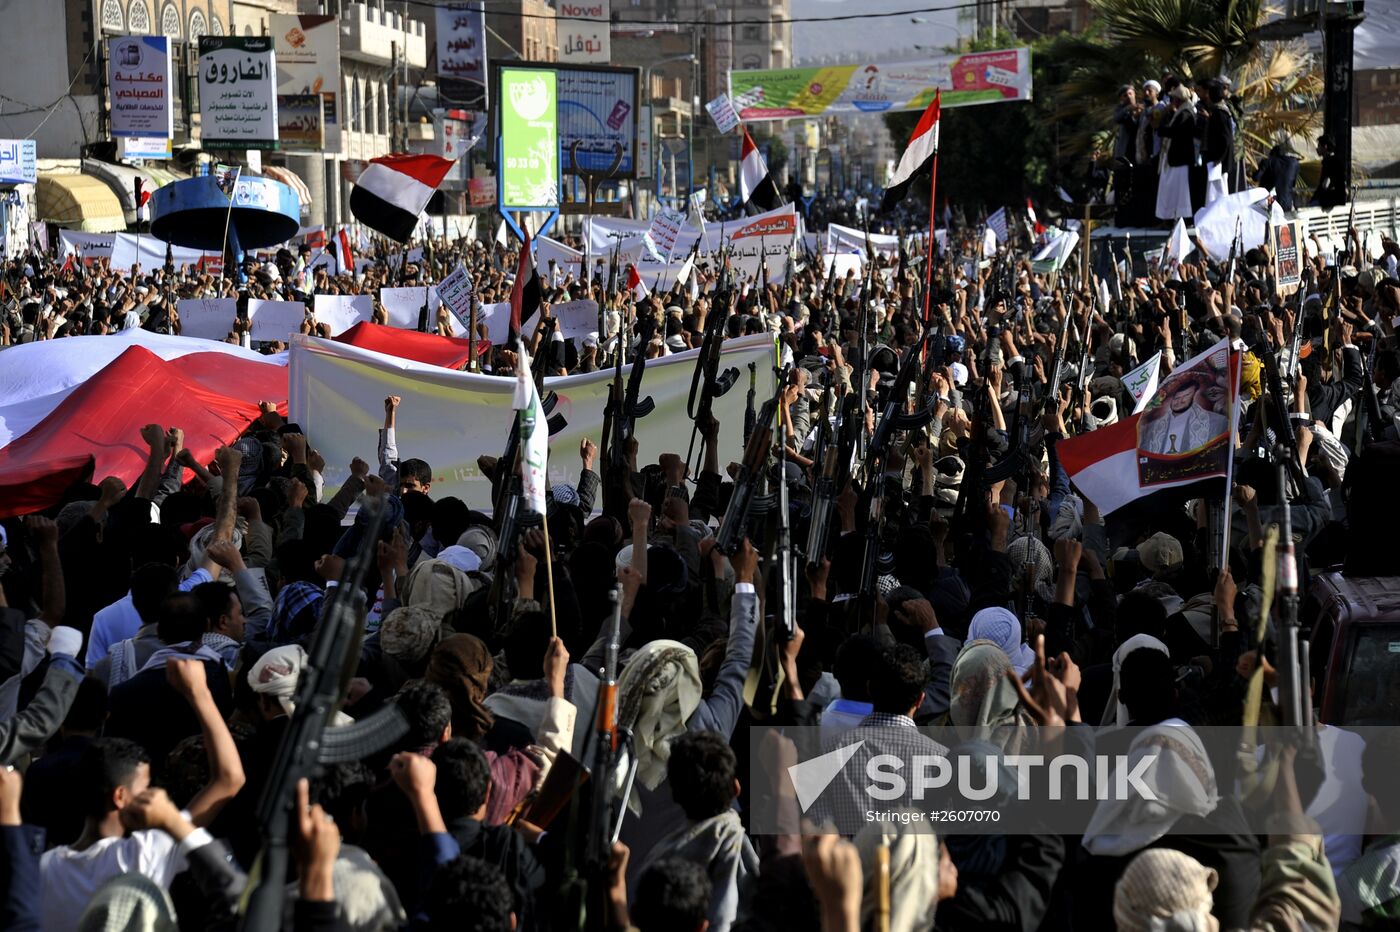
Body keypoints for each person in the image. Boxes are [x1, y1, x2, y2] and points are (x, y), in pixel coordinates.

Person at [1138, 372, 1228, 456]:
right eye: (1177, 398)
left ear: (1193, 395)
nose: (1180, 401)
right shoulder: (1152, 428)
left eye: (1186, 396)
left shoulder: (1215, 422)